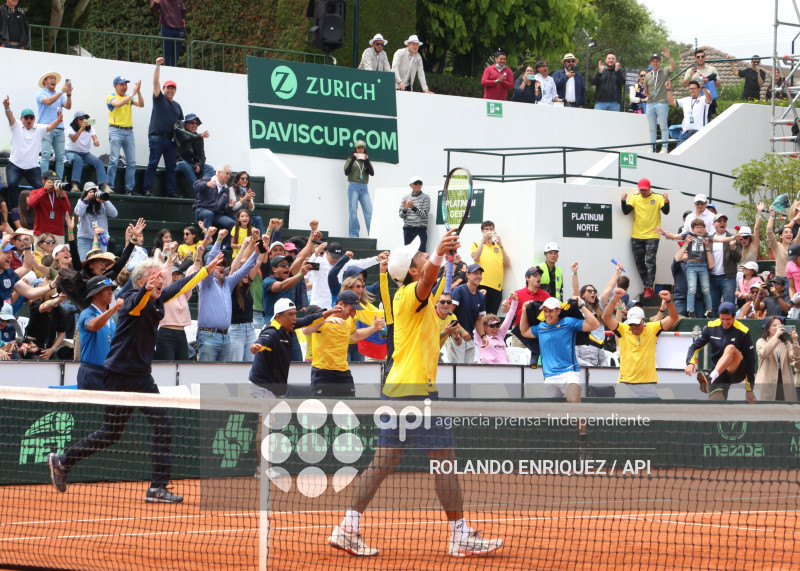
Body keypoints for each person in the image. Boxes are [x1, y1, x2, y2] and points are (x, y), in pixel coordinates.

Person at [329, 231, 502, 558]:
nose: (423, 256)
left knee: (383, 462)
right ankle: (460, 535)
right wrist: (438, 254)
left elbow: (436, 290)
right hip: (414, 391)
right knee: (444, 462)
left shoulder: (414, 299)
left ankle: (347, 527)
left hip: (398, 389)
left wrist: (446, 259)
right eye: (419, 256)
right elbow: (430, 279)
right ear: (412, 271)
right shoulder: (411, 293)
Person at [47, 252, 224, 502]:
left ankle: (155, 487)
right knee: (112, 432)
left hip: (141, 376)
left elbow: (180, 285)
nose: (162, 281)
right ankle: (64, 461)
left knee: (156, 426)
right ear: (142, 281)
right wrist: (144, 291)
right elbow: (138, 305)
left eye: (161, 278)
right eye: (156, 278)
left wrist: (205, 270)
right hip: (120, 374)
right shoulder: (129, 298)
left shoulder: (158, 297)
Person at [520, 296, 599, 454]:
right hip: (549, 378)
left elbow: (594, 324)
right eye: (545, 311)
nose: (547, 314)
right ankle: (556, 449)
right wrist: (523, 310)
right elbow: (524, 331)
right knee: (544, 415)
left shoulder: (568, 323)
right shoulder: (540, 327)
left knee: (573, 402)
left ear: (558, 311)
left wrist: (582, 305)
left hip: (569, 373)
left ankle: (583, 440)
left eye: (551, 311)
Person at [301, 289, 385, 396]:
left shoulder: (348, 320)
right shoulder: (323, 317)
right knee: (323, 409)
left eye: (355, 310)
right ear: (341, 304)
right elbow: (305, 330)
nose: (353, 313)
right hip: (322, 373)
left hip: (344, 373)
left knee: (348, 408)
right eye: (352, 309)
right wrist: (325, 321)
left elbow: (356, 335)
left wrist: (374, 327)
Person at [249, 299, 340, 397]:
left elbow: (308, 320)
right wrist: (256, 345)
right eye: (290, 314)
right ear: (278, 316)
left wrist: (330, 312)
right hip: (263, 387)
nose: (295, 318)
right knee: (268, 413)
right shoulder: (272, 331)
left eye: (295, 314)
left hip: (275, 388)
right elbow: (264, 339)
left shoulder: (286, 326)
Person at [195, 231, 260, 362]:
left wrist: (256, 252)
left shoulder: (228, 283)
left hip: (226, 337)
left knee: (225, 377)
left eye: (223, 265)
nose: (222, 268)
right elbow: (209, 261)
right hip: (208, 336)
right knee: (205, 377)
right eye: (218, 264)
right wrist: (219, 240)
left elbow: (244, 269)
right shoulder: (206, 282)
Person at [603, 288, 678, 398]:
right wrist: (614, 298)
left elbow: (673, 317)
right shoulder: (623, 329)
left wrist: (669, 301)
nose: (634, 327)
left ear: (643, 320)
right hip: (625, 384)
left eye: (637, 324)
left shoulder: (652, 328)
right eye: (631, 324)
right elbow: (605, 317)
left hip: (648, 384)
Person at [685, 302, 757, 403]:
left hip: (737, 370)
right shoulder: (711, 327)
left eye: (728, 319)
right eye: (722, 319)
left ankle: (710, 379)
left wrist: (749, 389)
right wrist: (690, 363)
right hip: (718, 372)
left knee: (730, 348)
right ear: (718, 316)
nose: (725, 322)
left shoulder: (743, 331)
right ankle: (721, 416)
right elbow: (694, 347)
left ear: (734, 317)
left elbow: (751, 361)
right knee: (716, 406)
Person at [2, 98, 63, 210]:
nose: (29, 119)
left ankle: (40, 209)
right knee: (12, 184)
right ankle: (16, 209)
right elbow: (10, 117)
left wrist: (59, 120)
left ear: (34, 119)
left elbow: (50, 126)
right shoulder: (16, 125)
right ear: (21, 119)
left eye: (31, 117)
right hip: (15, 165)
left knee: (41, 187)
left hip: (32, 167)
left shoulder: (38, 128)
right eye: (26, 117)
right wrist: (7, 107)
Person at [621, 178, 669, 299]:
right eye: (641, 189)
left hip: (652, 235)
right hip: (637, 235)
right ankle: (646, 285)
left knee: (650, 261)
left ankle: (649, 287)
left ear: (649, 188)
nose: (642, 192)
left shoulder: (657, 198)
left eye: (645, 190)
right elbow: (626, 211)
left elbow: (666, 211)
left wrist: (666, 201)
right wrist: (623, 200)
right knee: (639, 262)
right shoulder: (635, 198)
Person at [144, 57, 183, 198]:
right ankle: (147, 189)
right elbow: (155, 82)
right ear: (164, 89)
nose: (170, 90)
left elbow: (180, 124)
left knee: (171, 167)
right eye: (168, 88)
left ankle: (171, 192)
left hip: (170, 141)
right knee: (152, 164)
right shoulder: (159, 98)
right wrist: (157, 66)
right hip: (157, 137)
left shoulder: (177, 106)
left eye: (173, 88)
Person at [76, 276, 122, 390]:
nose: (110, 292)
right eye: (106, 289)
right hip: (91, 373)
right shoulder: (86, 313)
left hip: (109, 373)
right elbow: (92, 326)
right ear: (95, 293)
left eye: (111, 289)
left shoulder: (111, 318)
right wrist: (113, 309)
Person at [106, 76, 145, 195]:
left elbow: (141, 104)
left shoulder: (129, 97)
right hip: (115, 130)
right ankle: (109, 186)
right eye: (121, 84)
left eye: (125, 84)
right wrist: (132, 94)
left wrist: (138, 93)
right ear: (115, 86)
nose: (124, 87)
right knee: (113, 160)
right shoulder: (111, 97)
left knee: (131, 162)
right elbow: (118, 104)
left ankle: (129, 189)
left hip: (128, 131)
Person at [36, 71, 73, 180]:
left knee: (60, 158)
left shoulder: (59, 94)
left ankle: (59, 183)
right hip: (46, 128)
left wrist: (69, 94)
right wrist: (62, 91)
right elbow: (48, 101)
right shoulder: (40, 93)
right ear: (44, 81)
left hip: (59, 129)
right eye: (51, 78)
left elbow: (68, 106)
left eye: (54, 78)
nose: (53, 80)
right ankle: (45, 181)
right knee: (46, 155)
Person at [448, 263, 487, 364]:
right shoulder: (459, 290)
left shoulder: (481, 296)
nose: (479, 276)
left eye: (480, 274)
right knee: (455, 372)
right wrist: (461, 330)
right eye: (475, 273)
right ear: (468, 275)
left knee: (467, 372)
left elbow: (479, 320)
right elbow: (449, 313)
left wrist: (483, 336)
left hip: (469, 338)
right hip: (455, 335)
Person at [755, 316, 799, 401]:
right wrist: (776, 336)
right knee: (767, 410)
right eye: (774, 325)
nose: (778, 328)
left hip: (784, 381)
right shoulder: (761, 341)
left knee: (784, 410)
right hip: (767, 381)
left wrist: (795, 341)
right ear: (767, 328)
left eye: (780, 325)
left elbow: (795, 357)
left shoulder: (786, 343)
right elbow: (764, 353)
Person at [65, 111, 110, 192]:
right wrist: (81, 129)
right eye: (81, 119)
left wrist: (96, 142)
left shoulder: (90, 128)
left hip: (85, 153)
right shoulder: (71, 129)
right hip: (71, 152)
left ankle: (105, 186)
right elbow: (74, 139)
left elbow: (95, 139)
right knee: (78, 160)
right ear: (76, 120)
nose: (84, 120)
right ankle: (74, 185)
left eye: (85, 118)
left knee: (98, 162)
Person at [470, 220, 509, 314]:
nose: (488, 231)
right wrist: (483, 243)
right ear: (482, 232)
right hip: (481, 285)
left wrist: (501, 246)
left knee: (491, 317)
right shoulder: (476, 244)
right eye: (486, 229)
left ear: (494, 231)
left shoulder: (498, 246)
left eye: (490, 229)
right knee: (479, 315)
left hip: (496, 287)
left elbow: (507, 263)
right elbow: (475, 257)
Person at [643, 49, 677, 153]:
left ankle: (664, 148)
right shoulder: (647, 76)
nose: (655, 63)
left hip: (662, 102)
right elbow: (645, 91)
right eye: (653, 61)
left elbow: (673, 67)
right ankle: (652, 147)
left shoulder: (665, 71)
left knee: (663, 127)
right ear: (650, 63)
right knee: (652, 128)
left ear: (660, 62)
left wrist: (669, 58)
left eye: (657, 61)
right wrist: (646, 93)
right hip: (650, 103)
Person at [707, 213, 742, 312]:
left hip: (728, 277)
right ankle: (714, 327)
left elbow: (738, 258)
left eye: (724, 221)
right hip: (712, 278)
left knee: (729, 306)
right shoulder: (709, 239)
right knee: (713, 307)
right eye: (719, 221)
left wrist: (733, 248)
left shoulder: (733, 238)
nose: (722, 222)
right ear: (714, 224)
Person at [73, 182, 118, 259]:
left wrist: (105, 200)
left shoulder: (103, 202)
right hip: (85, 239)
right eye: (90, 192)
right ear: (86, 192)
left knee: (100, 261)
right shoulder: (82, 201)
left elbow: (114, 214)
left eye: (94, 191)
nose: (93, 194)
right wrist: (86, 200)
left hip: (101, 238)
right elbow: (78, 213)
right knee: (84, 262)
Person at [28, 171, 71, 243]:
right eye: (51, 181)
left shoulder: (61, 193)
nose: (53, 183)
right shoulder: (36, 192)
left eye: (55, 180)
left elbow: (67, 211)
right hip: (41, 233)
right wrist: (44, 190)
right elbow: (31, 203)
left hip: (58, 233)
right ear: (43, 181)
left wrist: (62, 196)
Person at [174, 112, 214, 188]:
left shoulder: (199, 138)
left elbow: (202, 156)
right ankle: (198, 189)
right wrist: (199, 136)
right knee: (184, 164)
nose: (195, 125)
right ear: (185, 124)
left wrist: (199, 165)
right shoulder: (181, 134)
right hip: (179, 163)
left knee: (210, 168)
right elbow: (186, 139)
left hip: (192, 164)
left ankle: (202, 186)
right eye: (192, 123)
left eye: (196, 123)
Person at [667, 79, 711, 145]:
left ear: (699, 89)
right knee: (679, 152)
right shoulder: (686, 100)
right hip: (686, 132)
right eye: (690, 89)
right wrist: (668, 89)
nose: (691, 90)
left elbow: (709, 99)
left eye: (693, 88)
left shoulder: (703, 99)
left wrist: (703, 87)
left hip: (699, 132)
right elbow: (671, 102)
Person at [476, 292, 517, 364]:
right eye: (492, 326)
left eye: (497, 325)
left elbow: (509, 318)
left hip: (506, 368)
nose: (495, 328)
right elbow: (476, 316)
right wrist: (479, 299)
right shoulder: (480, 337)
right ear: (484, 327)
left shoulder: (500, 334)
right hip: (489, 369)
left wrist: (514, 302)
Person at [766, 205, 800, 293]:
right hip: (781, 280)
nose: (789, 234)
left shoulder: (794, 244)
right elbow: (769, 231)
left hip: (794, 279)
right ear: (781, 236)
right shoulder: (777, 246)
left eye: (791, 232)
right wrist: (772, 215)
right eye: (786, 232)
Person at [344, 139, 374, 238]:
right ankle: (353, 234)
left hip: (364, 187)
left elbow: (372, 173)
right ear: (355, 148)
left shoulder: (365, 160)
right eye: (358, 148)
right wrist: (353, 159)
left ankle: (372, 233)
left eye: (362, 148)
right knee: (353, 210)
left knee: (369, 211)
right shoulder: (350, 159)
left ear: (364, 149)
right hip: (353, 186)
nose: (360, 150)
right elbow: (346, 172)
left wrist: (367, 161)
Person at [192, 165, 236, 232]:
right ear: (218, 172)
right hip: (201, 210)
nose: (229, 176)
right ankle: (207, 240)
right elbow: (195, 185)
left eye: (230, 174)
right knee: (209, 214)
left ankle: (226, 243)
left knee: (231, 223)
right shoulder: (208, 180)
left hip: (216, 214)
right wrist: (206, 184)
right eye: (227, 173)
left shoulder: (226, 189)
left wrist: (229, 206)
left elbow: (225, 210)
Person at [682, 49, 720, 118]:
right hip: (695, 100)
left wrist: (708, 80)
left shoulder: (712, 69)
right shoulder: (690, 71)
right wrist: (690, 75)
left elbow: (718, 84)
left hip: (708, 98)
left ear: (705, 57)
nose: (700, 58)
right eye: (698, 57)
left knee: (707, 120)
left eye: (702, 56)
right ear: (695, 58)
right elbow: (684, 85)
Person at [399, 175, 430, 251]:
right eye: (416, 183)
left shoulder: (426, 197)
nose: (418, 185)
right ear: (411, 185)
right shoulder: (405, 197)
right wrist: (405, 210)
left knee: (421, 254)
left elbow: (424, 215)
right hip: (408, 229)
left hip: (420, 229)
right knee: (408, 255)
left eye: (420, 183)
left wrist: (413, 208)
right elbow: (400, 215)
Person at [150, 0, 185, 67]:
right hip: (166, 28)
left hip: (179, 29)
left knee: (176, 54)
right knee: (167, 54)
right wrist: (156, 2)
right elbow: (154, 7)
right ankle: (167, 71)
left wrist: (183, 27)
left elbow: (182, 12)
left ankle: (173, 71)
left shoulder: (179, 1)